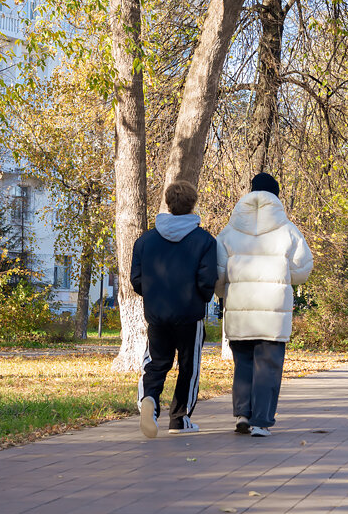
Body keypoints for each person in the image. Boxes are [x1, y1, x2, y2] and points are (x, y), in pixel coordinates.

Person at [216, 172, 313, 437]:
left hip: (240, 312)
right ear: (276, 196)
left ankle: (243, 414)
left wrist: (228, 291)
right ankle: (261, 421)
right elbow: (302, 270)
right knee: (268, 366)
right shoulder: (288, 230)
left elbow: (218, 273)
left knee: (243, 364)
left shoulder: (230, 230)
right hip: (273, 313)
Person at [131, 180, 218, 438]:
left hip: (157, 314)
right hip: (190, 315)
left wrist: (155, 296)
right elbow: (206, 280)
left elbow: (136, 279)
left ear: (168, 203)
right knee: (188, 366)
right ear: (193, 204)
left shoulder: (146, 240)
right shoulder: (204, 240)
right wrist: (201, 298)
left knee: (157, 362)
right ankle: (180, 419)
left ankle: (150, 400)